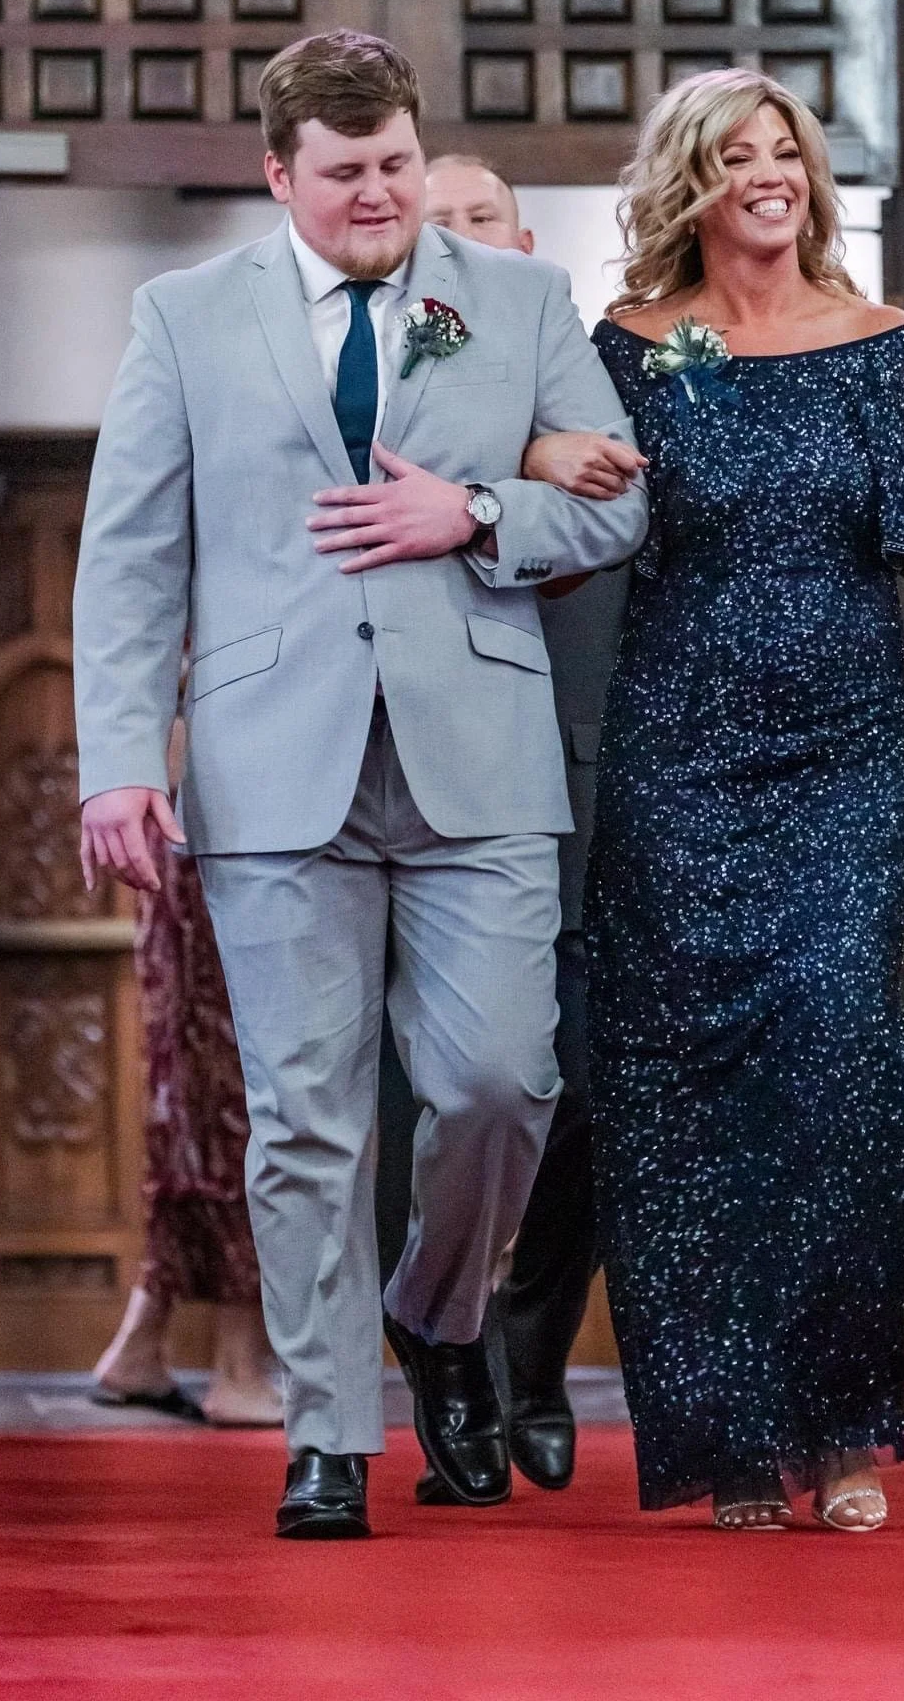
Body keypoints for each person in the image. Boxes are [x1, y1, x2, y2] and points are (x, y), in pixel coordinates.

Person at [73, 29, 648, 1541]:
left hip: (482, 756)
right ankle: (325, 1434)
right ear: (282, 176)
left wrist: (474, 511)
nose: (380, 192)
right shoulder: (184, 316)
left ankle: (438, 1311)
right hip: (273, 765)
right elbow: (131, 554)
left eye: (396, 161)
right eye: (347, 173)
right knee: (308, 1118)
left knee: (503, 1083)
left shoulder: (515, 301)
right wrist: (120, 759)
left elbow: (617, 503)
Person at [526, 69, 904, 1531]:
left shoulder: (882, 346)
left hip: (846, 758)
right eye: (738, 154)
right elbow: (557, 503)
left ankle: (843, 1421)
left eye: (787, 153)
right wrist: (538, 453)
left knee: (843, 1062)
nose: (770, 174)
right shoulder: (635, 346)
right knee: (685, 1093)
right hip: (675, 757)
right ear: (692, 183)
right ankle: (734, 1439)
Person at [376, 152, 632, 1500]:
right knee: (423, 1090)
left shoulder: (602, 359)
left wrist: (539, 447)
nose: (460, 242)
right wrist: (521, 459)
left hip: (586, 777)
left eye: (482, 220)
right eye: (438, 226)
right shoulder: (380, 368)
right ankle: (447, 1351)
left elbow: (647, 472)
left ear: (525, 243)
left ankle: (528, 1344)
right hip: (417, 780)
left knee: (574, 1078)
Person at [92, 739, 282, 1430]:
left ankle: (141, 1343)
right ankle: (238, 1363)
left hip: (193, 820)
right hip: (219, 824)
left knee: (195, 1094)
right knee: (231, 1093)